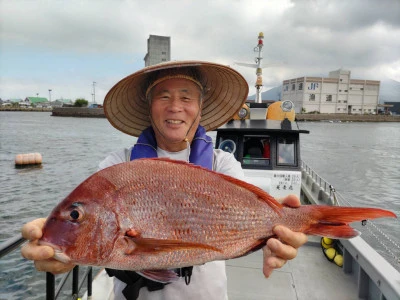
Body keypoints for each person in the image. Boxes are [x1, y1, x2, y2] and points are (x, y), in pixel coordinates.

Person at [21, 61, 308, 300]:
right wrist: (58, 251)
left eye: (186, 97)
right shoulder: (116, 165)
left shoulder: (223, 163)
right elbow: (82, 231)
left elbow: (251, 210)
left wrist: (278, 227)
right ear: (149, 106)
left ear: (199, 107)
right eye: (163, 97)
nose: (175, 107)